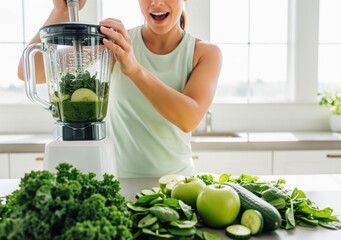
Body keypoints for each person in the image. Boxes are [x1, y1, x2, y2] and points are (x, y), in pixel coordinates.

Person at [18, 0, 222, 178]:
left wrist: (135, 70)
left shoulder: (205, 53)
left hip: (176, 186)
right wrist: (60, 10)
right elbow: (30, 72)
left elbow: (189, 118)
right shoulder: (117, 44)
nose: (156, 2)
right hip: (117, 181)